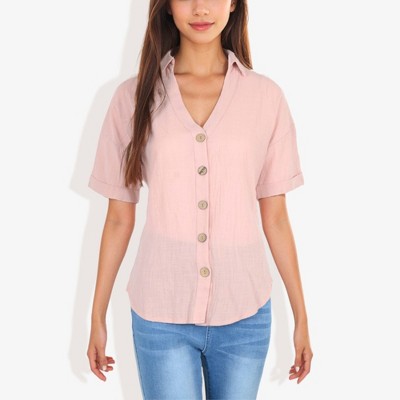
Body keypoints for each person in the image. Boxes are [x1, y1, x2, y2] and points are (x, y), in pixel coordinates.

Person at [86, 0, 313, 398]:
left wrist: (301, 316)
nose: (200, 8)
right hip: (161, 312)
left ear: (233, 3)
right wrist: (97, 315)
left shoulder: (266, 97)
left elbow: (275, 216)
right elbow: (119, 216)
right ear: (166, 6)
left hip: (245, 313)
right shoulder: (132, 97)